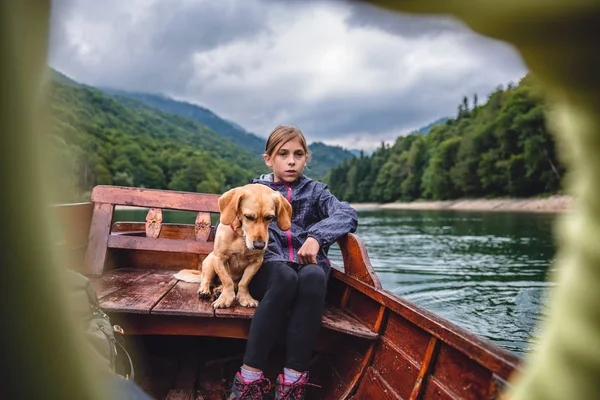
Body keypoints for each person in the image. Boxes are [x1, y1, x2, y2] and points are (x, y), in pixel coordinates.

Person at [229, 125, 358, 399]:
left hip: (307, 268)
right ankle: (248, 380)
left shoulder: (316, 192)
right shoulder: (256, 191)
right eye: (283, 154)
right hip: (268, 266)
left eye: (298, 154)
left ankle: (292, 382)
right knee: (286, 278)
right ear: (269, 159)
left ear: (306, 158)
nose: (291, 161)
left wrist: (317, 236)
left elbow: (347, 213)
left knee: (313, 276)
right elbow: (231, 221)